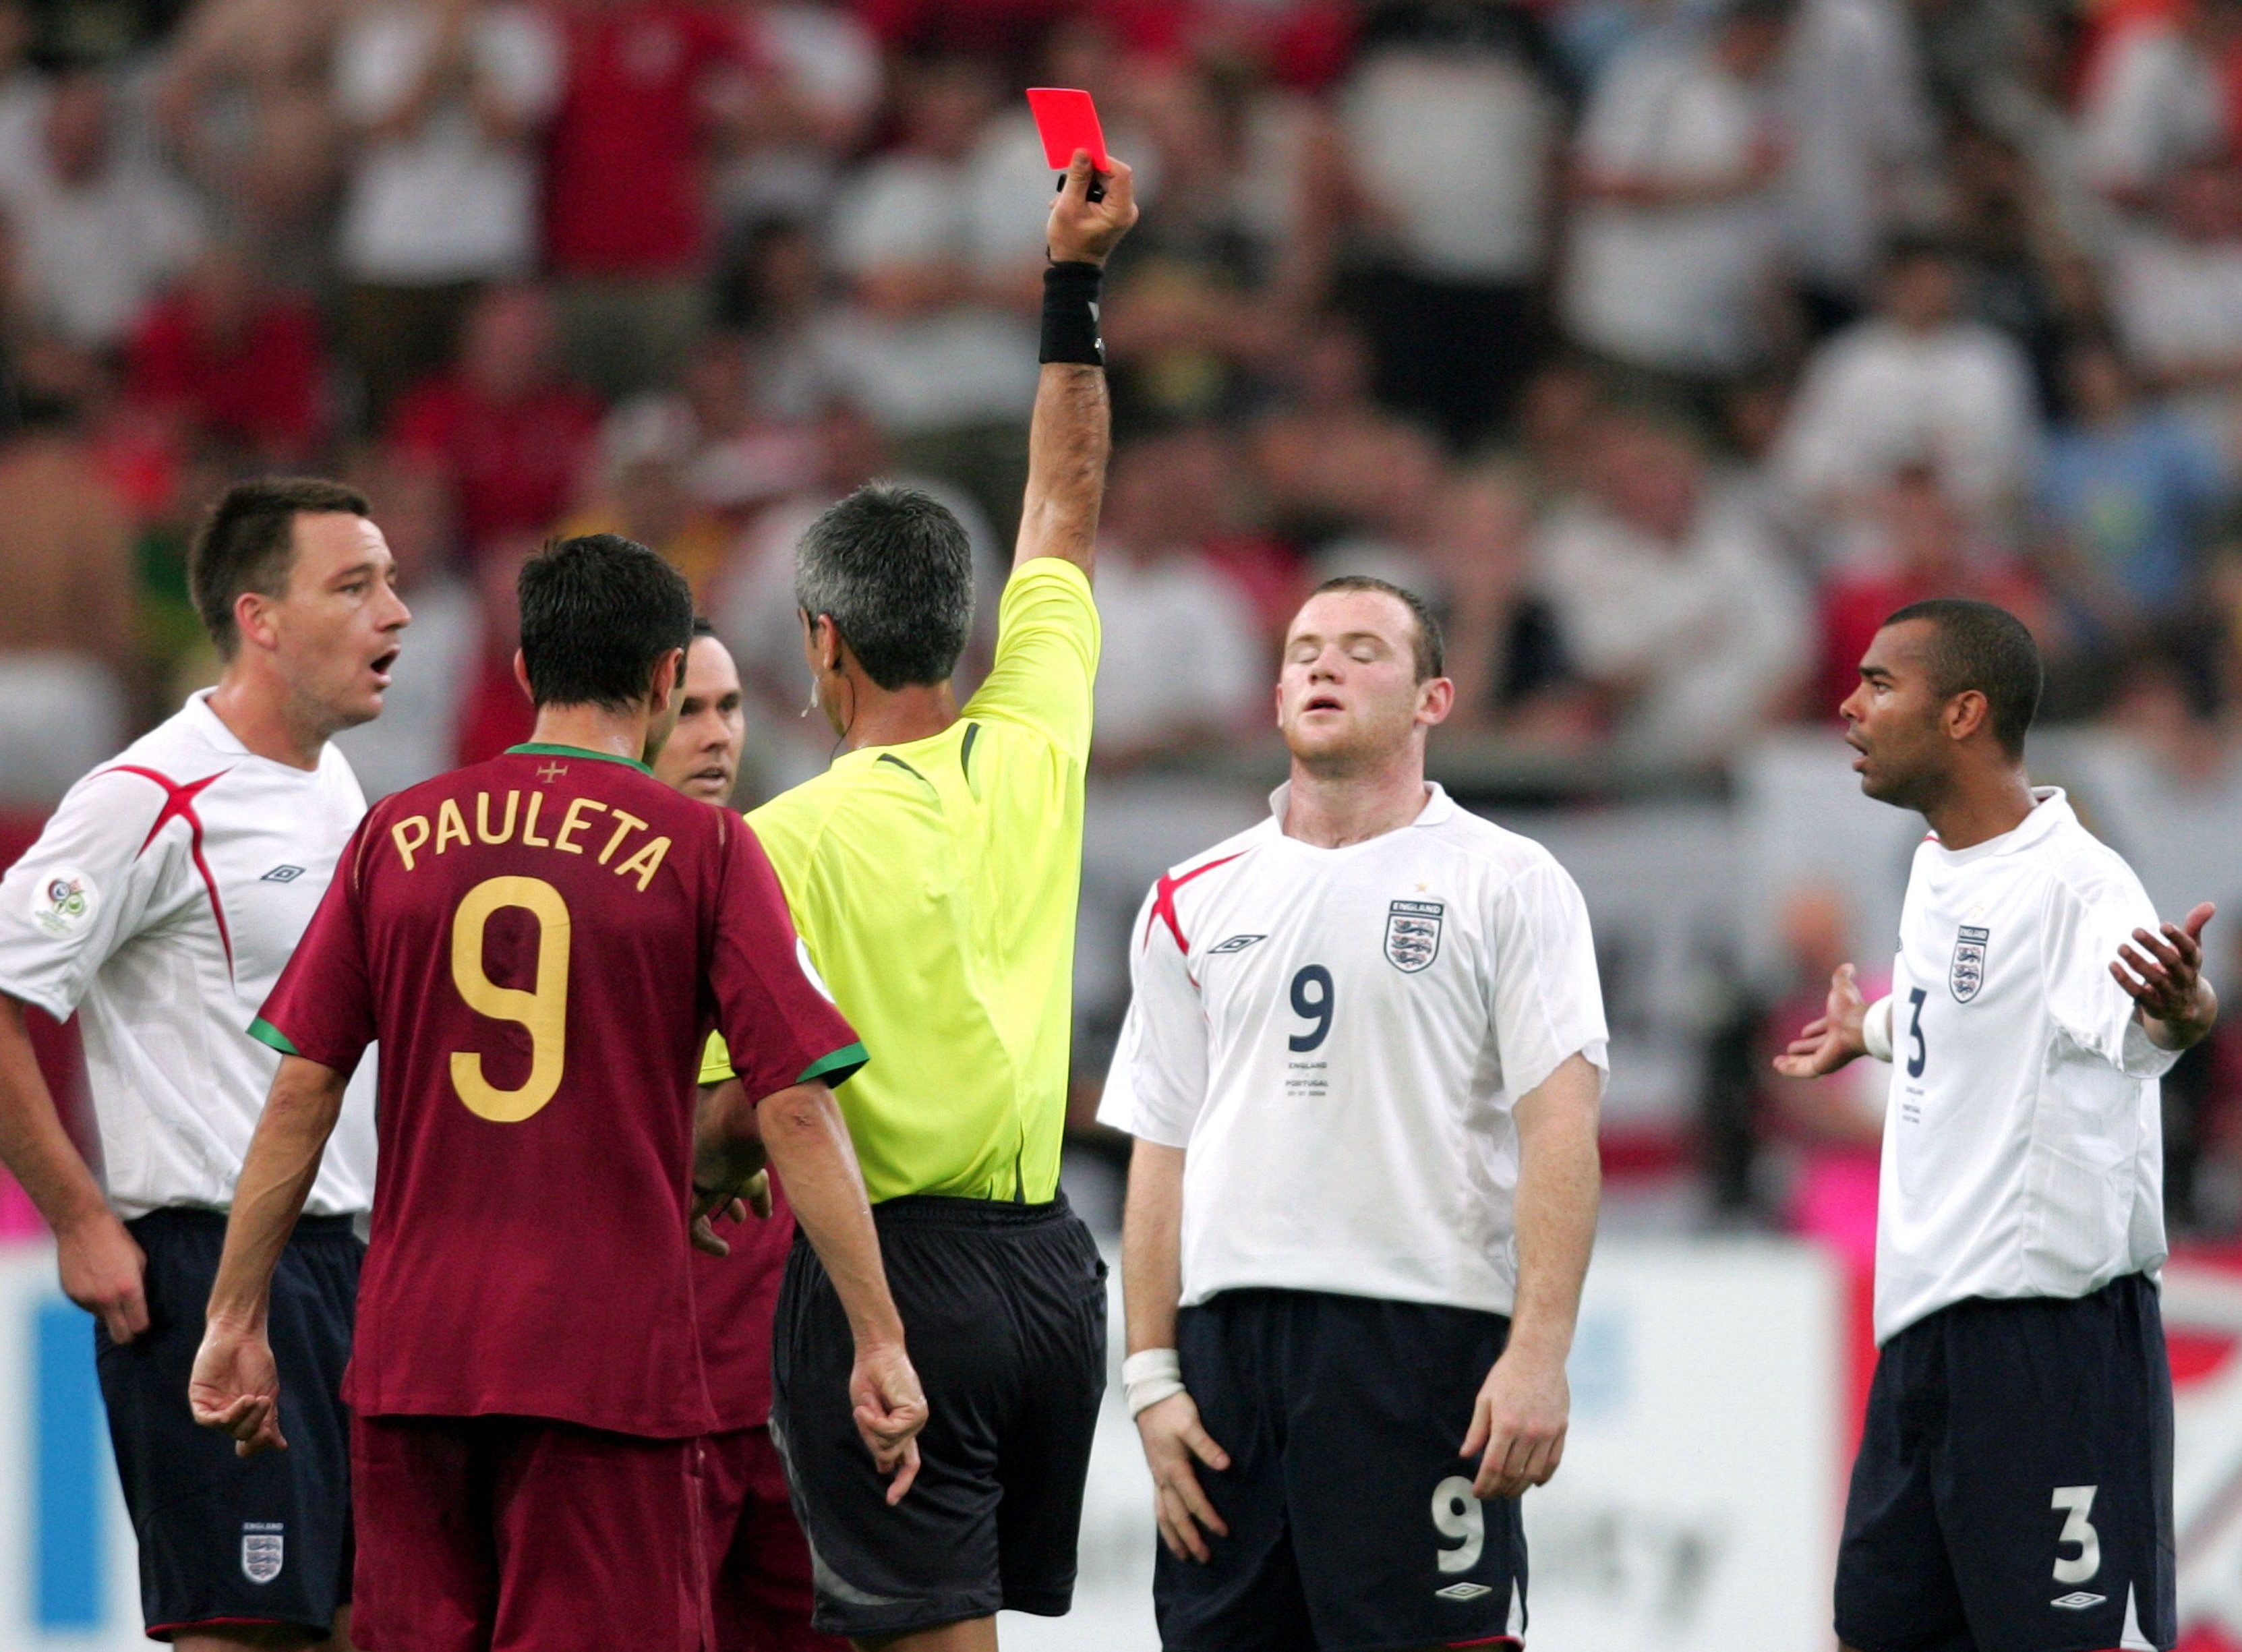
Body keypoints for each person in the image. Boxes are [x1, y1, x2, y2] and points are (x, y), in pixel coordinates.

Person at [185, 534, 927, 1652]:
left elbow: (303, 1090)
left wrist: (235, 1315)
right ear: (668, 676)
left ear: (525, 668)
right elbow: (795, 1104)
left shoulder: (396, 835)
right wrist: (877, 1335)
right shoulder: (705, 848)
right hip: (603, 1362)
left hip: (416, 1355)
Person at [695, 148, 1136, 1648]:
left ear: (820, 644)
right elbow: (1065, 499)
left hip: (892, 1271)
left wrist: (704, 1175)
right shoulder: (1037, 743)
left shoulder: (776, 843)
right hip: (1051, 1274)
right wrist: (1068, 286)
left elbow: (739, 1118)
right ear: (960, 627)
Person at [1098, 574, 1609, 1651]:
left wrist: (1538, 1353)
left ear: (1434, 699)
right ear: (1277, 689)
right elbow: (1161, 1146)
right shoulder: (1190, 894)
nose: (1324, 665)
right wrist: (1149, 1376)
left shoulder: (1509, 880)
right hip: (1227, 1357)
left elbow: (1559, 1128)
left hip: (1417, 1346)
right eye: (1304, 648)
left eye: (1363, 649)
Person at [0, 477, 408, 1651]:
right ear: (260, 619)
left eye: (389, 581)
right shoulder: (146, 796)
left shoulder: (333, 784)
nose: (397, 612)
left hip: (344, 1264)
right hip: (211, 1268)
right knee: (246, 1633)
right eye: (354, 585)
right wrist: (77, 1214)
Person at [1775, 597, 2216, 1652]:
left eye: (1881, 683)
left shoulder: (2078, 883)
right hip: (1922, 1341)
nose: (1848, 704)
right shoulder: (1939, 867)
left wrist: (2181, 1008)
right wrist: (1873, 1028)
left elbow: (2140, 1021)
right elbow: (1975, 1016)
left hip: (2047, 1345)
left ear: (1965, 711)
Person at [653, 620, 843, 1652]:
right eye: (689, 711)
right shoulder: (583, 903)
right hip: (644, 1384)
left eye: (729, 708)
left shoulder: (782, 876)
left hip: (781, 1375)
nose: (717, 736)